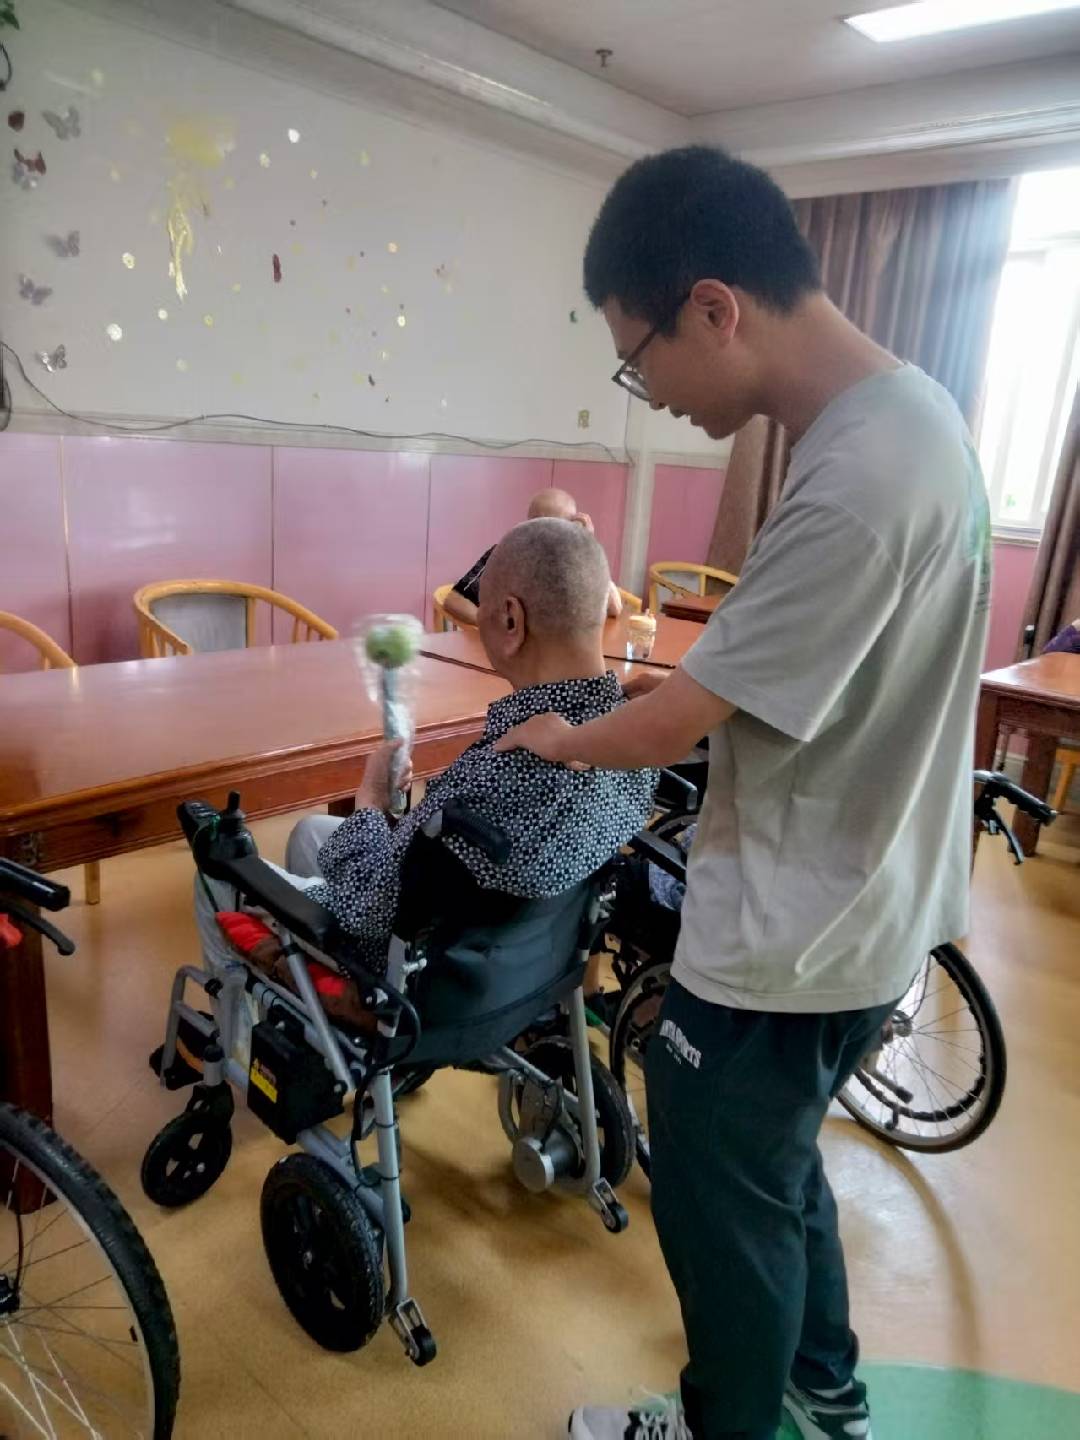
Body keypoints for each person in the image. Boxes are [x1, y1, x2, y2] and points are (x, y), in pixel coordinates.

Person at [495, 146, 992, 1440]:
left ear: (713, 308)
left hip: (792, 931)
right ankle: (826, 1393)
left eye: (637, 357)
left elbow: (677, 717)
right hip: (873, 902)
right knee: (775, 1169)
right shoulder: (915, 418)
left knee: (722, 1206)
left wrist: (559, 738)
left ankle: (730, 1422)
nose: (649, 394)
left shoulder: (856, 479)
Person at [194, 518, 657, 1052]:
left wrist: (369, 802)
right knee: (310, 834)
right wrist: (398, 821)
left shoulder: (500, 775)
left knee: (214, 868)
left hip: (406, 986)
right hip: (523, 971)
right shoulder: (634, 741)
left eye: (483, 608)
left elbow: (367, 907)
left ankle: (234, 1047)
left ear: (511, 619)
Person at [441, 485, 624, 627]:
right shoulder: (505, 554)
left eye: (554, 525)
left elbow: (614, 608)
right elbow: (455, 600)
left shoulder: (578, 562)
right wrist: (496, 627)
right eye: (536, 522)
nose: (542, 532)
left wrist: (587, 545)